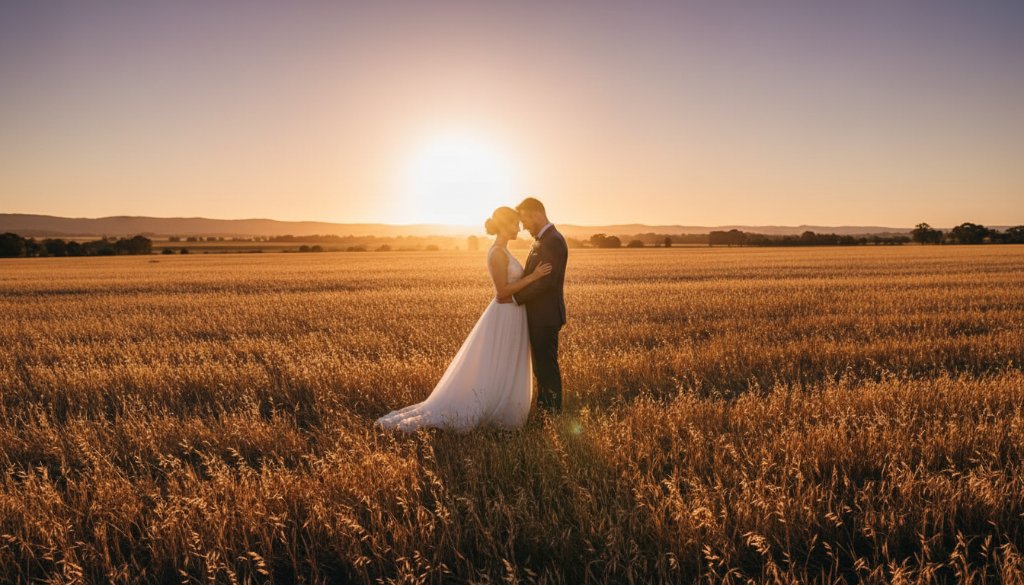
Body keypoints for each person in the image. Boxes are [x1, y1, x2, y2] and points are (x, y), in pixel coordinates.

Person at [375, 206, 552, 432]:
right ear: (504, 226)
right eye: (515, 224)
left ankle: (505, 405)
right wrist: (534, 277)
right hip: (505, 315)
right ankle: (491, 409)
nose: (518, 228)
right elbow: (502, 291)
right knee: (496, 364)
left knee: (504, 365)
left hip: (514, 315)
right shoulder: (496, 252)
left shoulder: (504, 250)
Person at [497, 197, 568, 413]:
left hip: (545, 316)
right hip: (540, 315)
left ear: (536, 213)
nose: (524, 225)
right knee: (541, 366)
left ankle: (552, 412)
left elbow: (545, 282)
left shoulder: (552, 240)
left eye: (525, 220)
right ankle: (545, 408)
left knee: (546, 366)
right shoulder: (544, 239)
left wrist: (515, 298)